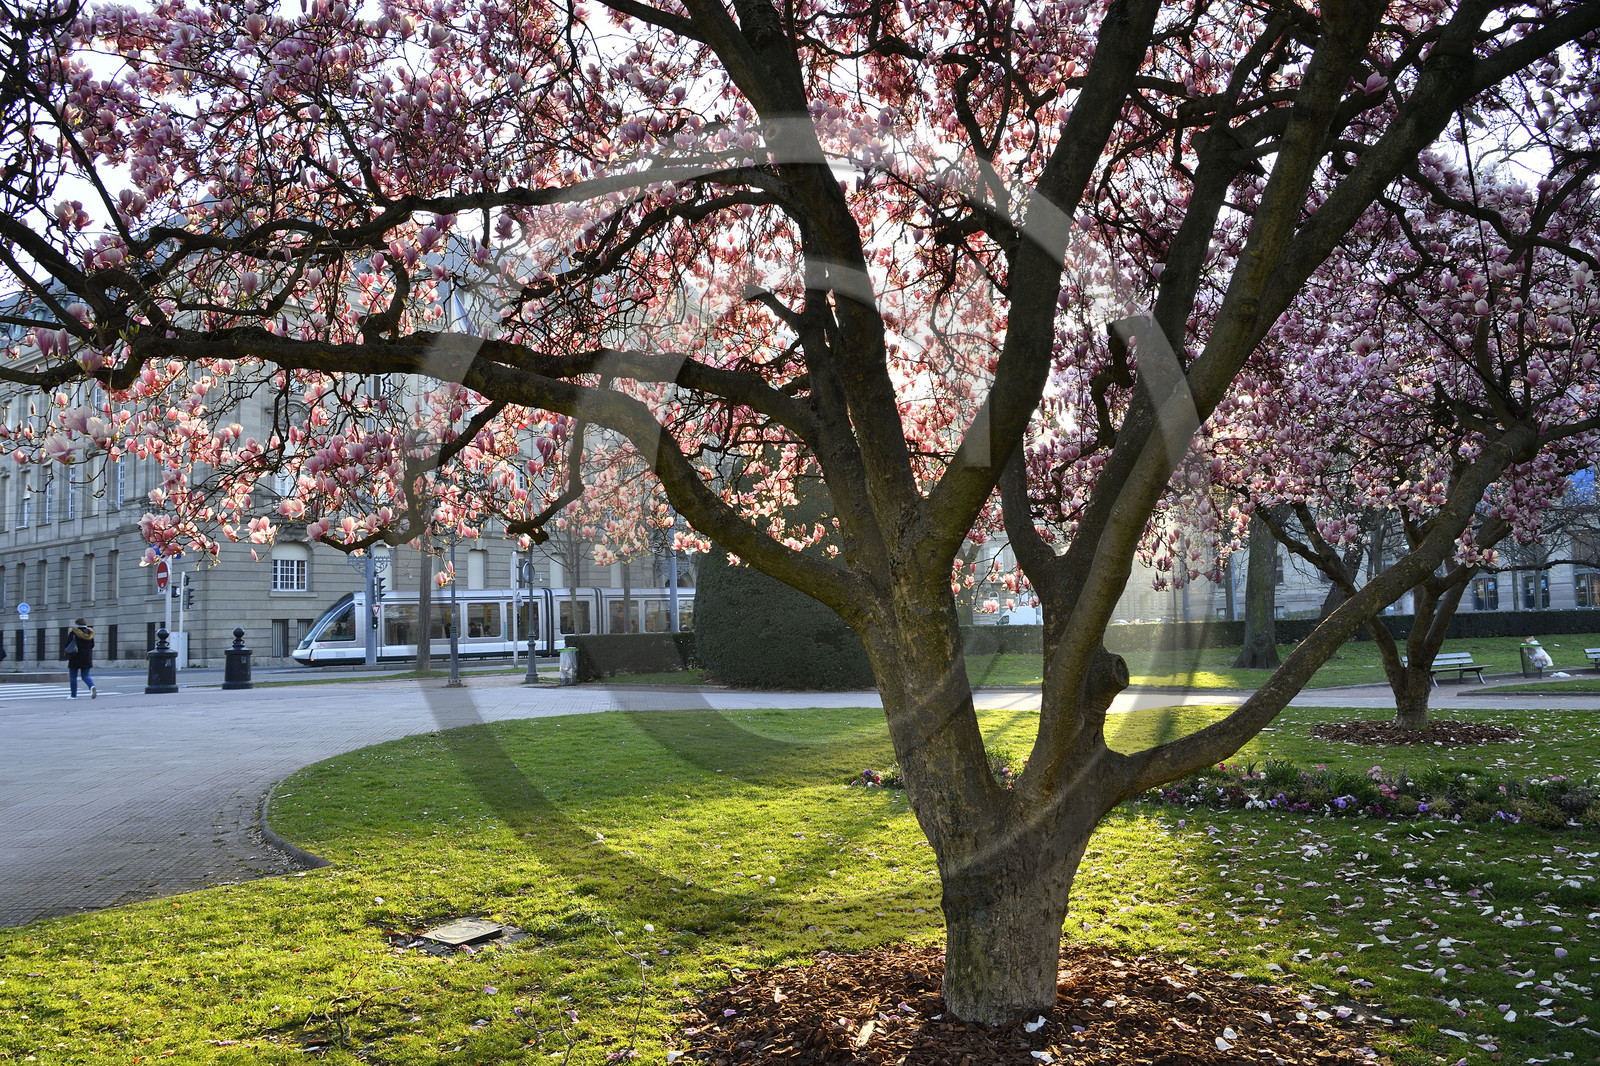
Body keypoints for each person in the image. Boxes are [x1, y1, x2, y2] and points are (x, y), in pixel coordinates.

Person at [65, 617, 95, 700]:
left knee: (73, 676)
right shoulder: (90, 633)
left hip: (75, 656)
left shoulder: (73, 633)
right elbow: (92, 645)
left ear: (77, 624)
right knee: (85, 676)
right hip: (87, 657)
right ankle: (91, 687)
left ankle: (73, 695)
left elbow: (67, 645)